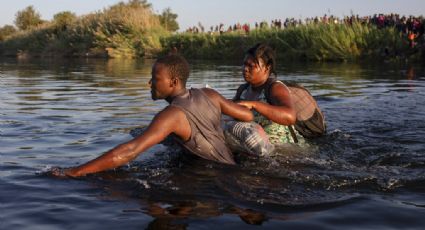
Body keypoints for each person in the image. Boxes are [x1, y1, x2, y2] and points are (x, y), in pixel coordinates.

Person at [51, 54, 253, 177]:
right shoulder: (209, 94)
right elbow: (247, 116)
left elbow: (129, 151)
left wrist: (75, 171)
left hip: (211, 177)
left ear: (173, 82)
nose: (150, 83)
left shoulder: (171, 115)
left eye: (155, 79)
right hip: (231, 167)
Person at [233, 43, 304, 145]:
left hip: (287, 150)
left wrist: (254, 105)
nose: (245, 69)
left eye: (251, 66)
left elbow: (290, 117)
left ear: (267, 67)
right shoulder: (243, 90)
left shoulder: (275, 88)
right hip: (256, 146)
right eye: (244, 64)